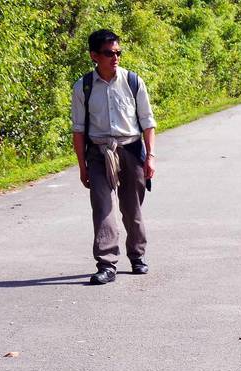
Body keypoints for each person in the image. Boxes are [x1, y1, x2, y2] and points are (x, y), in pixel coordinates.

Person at [71, 29, 156, 285]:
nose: (115, 57)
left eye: (118, 52)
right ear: (94, 56)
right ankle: (107, 264)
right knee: (102, 207)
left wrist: (149, 156)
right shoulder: (83, 87)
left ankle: (137, 256)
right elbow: (78, 130)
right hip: (98, 153)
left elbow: (147, 122)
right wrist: (82, 167)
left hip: (130, 149)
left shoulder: (132, 81)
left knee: (132, 208)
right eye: (109, 53)